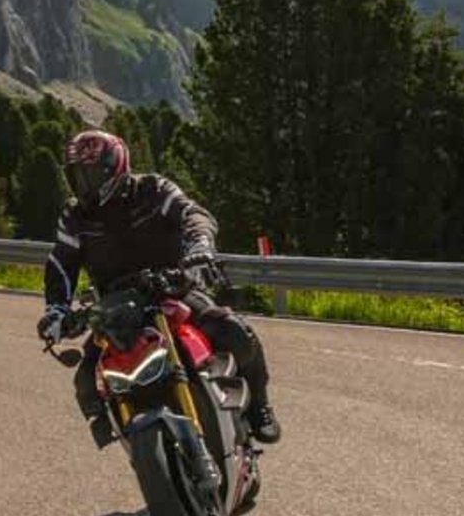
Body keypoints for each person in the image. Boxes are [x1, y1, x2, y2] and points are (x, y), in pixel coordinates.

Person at [37, 130, 281, 448]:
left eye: (92, 174)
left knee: (235, 331)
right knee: (86, 382)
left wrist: (200, 248)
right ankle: (132, 439)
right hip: (116, 308)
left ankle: (260, 406)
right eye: (78, 176)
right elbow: (61, 263)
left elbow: (193, 214)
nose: (85, 184)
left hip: (172, 287)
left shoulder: (153, 189)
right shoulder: (75, 216)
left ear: (116, 167)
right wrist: (56, 311)